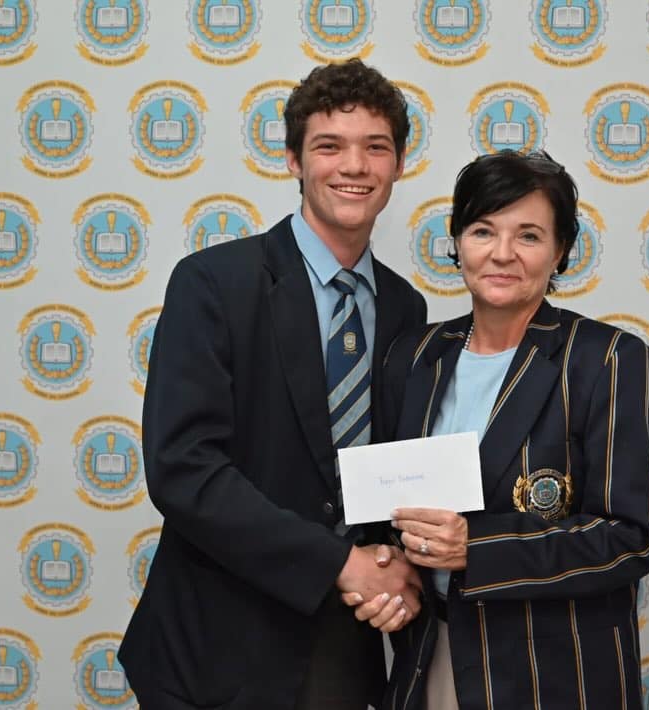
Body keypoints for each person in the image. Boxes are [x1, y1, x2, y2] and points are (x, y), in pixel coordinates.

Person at [118, 59, 428, 710]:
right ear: (293, 160)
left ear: (399, 165)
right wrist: (337, 562)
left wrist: (401, 568)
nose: (354, 165)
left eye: (376, 147)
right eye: (329, 146)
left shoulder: (405, 308)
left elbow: (390, 468)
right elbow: (183, 469)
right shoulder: (213, 283)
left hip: (341, 646)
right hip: (215, 646)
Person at [351, 151, 649, 709]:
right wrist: (387, 568)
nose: (502, 253)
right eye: (483, 231)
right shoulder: (414, 355)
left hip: (555, 672)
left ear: (561, 250)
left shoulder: (610, 360)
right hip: (433, 653)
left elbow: (632, 537)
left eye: (528, 235)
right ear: (457, 242)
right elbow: (387, 506)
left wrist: (475, 547)